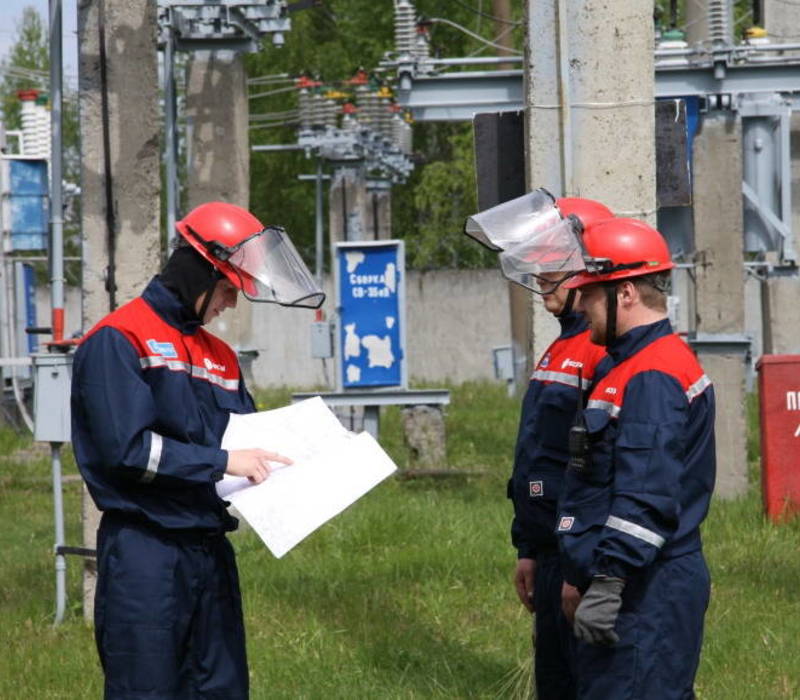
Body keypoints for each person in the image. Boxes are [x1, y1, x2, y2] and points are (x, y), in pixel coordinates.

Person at [71, 201, 324, 699]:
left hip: (210, 553)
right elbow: (128, 452)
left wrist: (310, 464)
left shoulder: (222, 356)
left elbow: (249, 440)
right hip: (147, 553)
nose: (231, 304)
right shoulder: (119, 339)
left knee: (221, 690)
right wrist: (222, 462)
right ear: (198, 272)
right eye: (229, 289)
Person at [554, 218, 715, 699]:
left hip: (645, 590)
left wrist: (607, 582)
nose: (578, 304)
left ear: (624, 293)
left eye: (588, 292)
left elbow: (645, 495)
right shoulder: (626, 364)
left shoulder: (652, 374)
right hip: (634, 584)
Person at [499, 197, 612, 700]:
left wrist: (579, 569)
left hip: (577, 558)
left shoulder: (600, 349)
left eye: (555, 265)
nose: (542, 275)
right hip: (549, 551)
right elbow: (538, 455)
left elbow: (600, 470)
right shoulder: (561, 343)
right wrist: (529, 548)